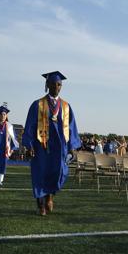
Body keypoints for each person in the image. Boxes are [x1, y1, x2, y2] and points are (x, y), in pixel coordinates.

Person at [22, 71, 81, 216]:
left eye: (59, 84)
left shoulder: (66, 106)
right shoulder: (38, 105)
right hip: (42, 146)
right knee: (39, 174)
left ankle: (49, 197)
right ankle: (40, 205)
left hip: (59, 148)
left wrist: (72, 147)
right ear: (47, 85)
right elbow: (30, 125)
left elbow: (72, 127)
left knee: (58, 173)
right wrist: (29, 145)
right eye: (54, 84)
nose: (57, 87)